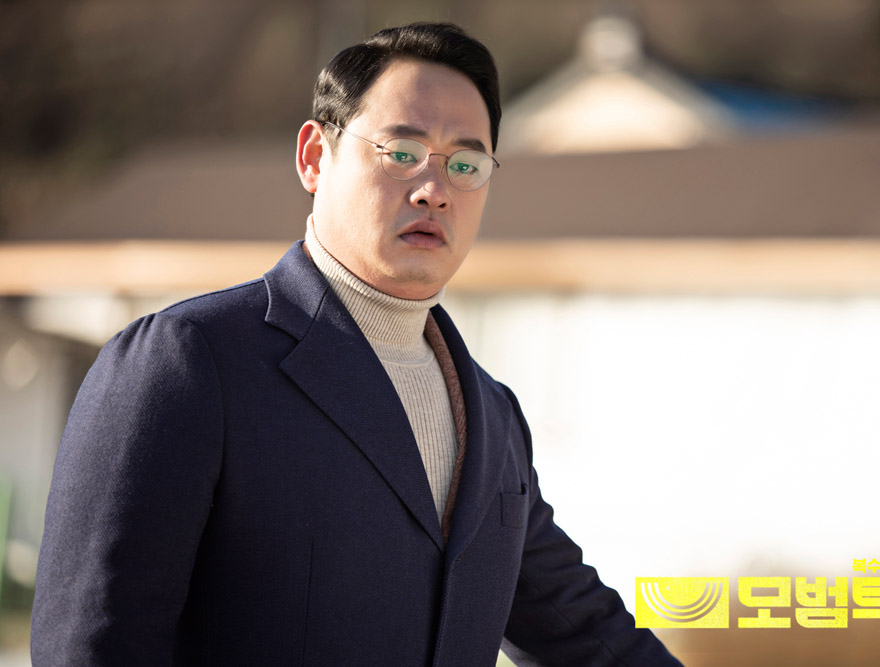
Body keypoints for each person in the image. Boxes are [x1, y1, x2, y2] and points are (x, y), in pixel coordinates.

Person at [31, 22, 683, 667]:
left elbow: (587, 632)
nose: (434, 190)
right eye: (402, 153)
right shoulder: (192, 361)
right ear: (315, 157)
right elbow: (91, 649)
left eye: (465, 164)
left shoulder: (493, 414)